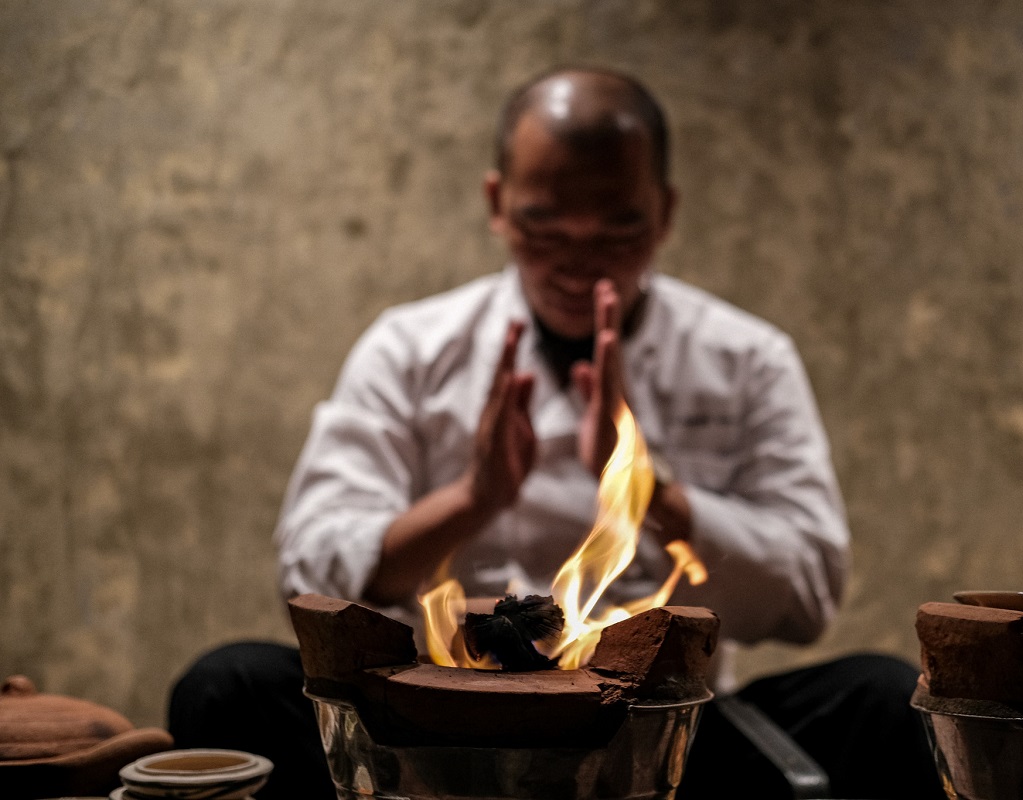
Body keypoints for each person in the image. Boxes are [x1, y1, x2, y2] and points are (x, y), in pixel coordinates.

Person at [169, 66, 941, 800]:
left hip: (662, 729)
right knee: (228, 686)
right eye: (544, 229)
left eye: (616, 232)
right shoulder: (411, 348)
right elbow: (308, 576)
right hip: (432, 729)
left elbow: (808, 591)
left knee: (880, 699)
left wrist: (647, 489)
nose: (578, 265)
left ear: (665, 212)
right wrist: (471, 499)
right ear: (498, 204)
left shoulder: (744, 359)